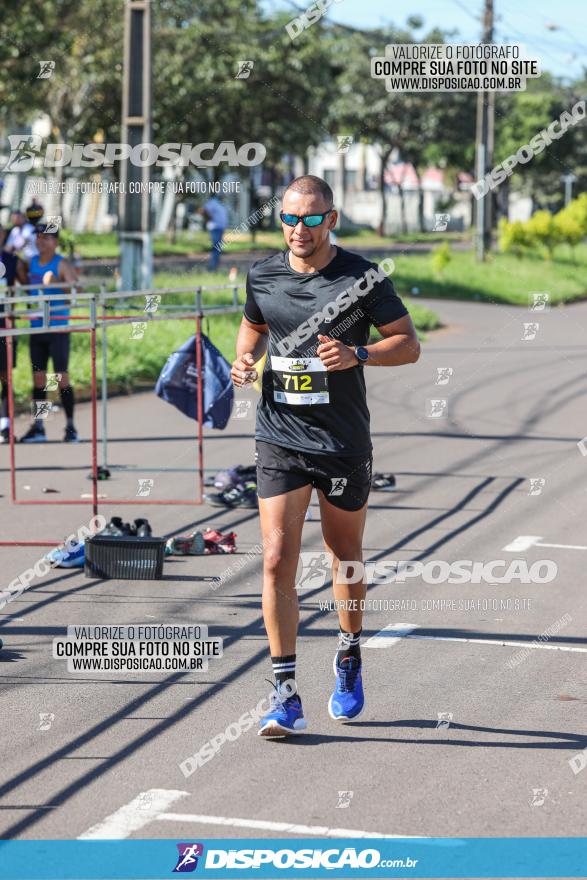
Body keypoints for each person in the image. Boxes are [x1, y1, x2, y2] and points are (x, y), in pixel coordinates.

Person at [231, 175, 421, 737]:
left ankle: (348, 652)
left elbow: (408, 344)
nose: (299, 229)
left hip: (341, 442)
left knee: (345, 557)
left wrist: (357, 352)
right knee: (275, 560)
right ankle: (285, 693)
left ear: (331, 220)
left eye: (312, 219)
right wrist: (245, 362)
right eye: (290, 218)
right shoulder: (263, 273)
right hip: (280, 436)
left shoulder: (361, 277)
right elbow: (252, 329)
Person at [16, 222, 79, 443]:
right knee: (39, 379)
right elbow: (22, 280)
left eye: (45, 237)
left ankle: (71, 427)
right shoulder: (31, 262)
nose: (40, 241)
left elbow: (76, 290)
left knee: (61, 377)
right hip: (37, 327)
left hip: (58, 327)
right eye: (38, 237)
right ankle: (39, 427)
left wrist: (57, 283)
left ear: (55, 242)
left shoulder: (61, 264)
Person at [0, 228, 19, 444]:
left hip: (5, 323)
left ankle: (5, 426)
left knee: (6, 376)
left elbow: (19, 284)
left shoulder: (11, 260)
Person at [202, 195, 228, 272]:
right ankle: (212, 268)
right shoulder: (213, 202)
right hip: (215, 228)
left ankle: (214, 267)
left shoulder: (220, 203)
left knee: (218, 248)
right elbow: (204, 210)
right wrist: (210, 219)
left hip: (220, 228)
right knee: (216, 248)